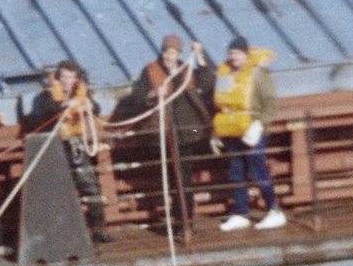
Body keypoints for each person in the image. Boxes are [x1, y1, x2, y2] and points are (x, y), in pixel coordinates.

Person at [113, 35, 214, 228]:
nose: (170, 56)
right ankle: (180, 220)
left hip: (187, 130)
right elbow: (138, 97)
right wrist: (153, 94)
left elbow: (207, 83)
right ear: (162, 52)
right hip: (164, 131)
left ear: (179, 54)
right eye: (167, 52)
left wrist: (200, 57)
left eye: (174, 52)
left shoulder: (186, 70)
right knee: (175, 178)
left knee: (185, 177)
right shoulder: (150, 71)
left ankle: (186, 221)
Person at [20, 59, 114, 241]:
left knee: (91, 187)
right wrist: (60, 107)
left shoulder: (80, 94)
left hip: (76, 146)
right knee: (59, 189)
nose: (66, 80)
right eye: (63, 76)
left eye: (70, 77)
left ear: (76, 79)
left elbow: (97, 108)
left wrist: (90, 106)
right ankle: (62, 233)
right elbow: (39, 116)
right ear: (57, 77)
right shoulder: (45, 96)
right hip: (55, 146)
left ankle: (98, 229)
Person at [213, 37, 283, 230]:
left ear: (245, 54)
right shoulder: (225, 74)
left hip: (253, 129)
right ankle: (241, 212)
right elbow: (221, 104)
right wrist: (216, 132)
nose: (233, 57)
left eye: (237, 53)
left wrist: (260, 124)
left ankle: (274, 210)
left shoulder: (258, 74)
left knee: (257, 168)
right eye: (231, 53)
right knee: (236, 170)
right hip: (231, 129)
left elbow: (270, 103)